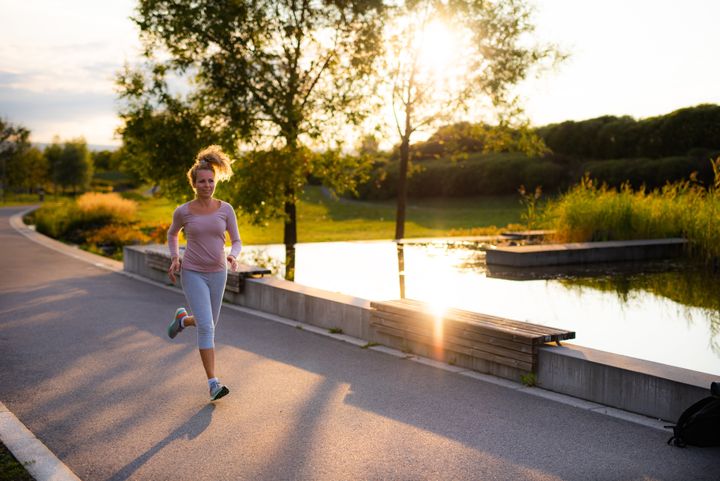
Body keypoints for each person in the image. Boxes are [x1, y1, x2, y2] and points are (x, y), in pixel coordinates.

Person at [166, 145, 241, 401]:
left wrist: (233, 254)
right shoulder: (184, 211)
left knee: (205, 322)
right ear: (194, 184)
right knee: (208, 327)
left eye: (211, 181)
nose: (207, 185)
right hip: (193, 272)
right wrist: (176, 257)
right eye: (202, 181)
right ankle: (213, 383)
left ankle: (182, 320)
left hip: (219, 273)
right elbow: (172, 233)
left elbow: (237, 241)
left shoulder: (226, 209)